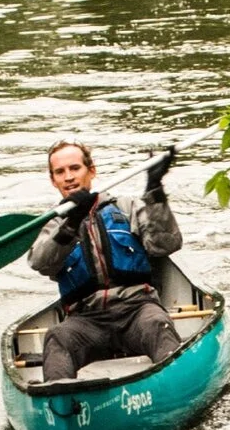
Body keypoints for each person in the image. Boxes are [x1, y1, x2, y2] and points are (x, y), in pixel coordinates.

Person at [28, 139, 185, 383]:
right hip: (85, 320)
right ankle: (60, 405)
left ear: (91, 171)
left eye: (75, 168)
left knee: (157, 323)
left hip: (137, 310)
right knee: (57, 337)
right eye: (60, 172)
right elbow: (41, 263)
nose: (68, 176)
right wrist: (70, 224)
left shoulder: (127, 207)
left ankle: (176, 387)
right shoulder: (53, 225)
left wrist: (155, 190)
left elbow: (167, 244)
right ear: (53, 180)